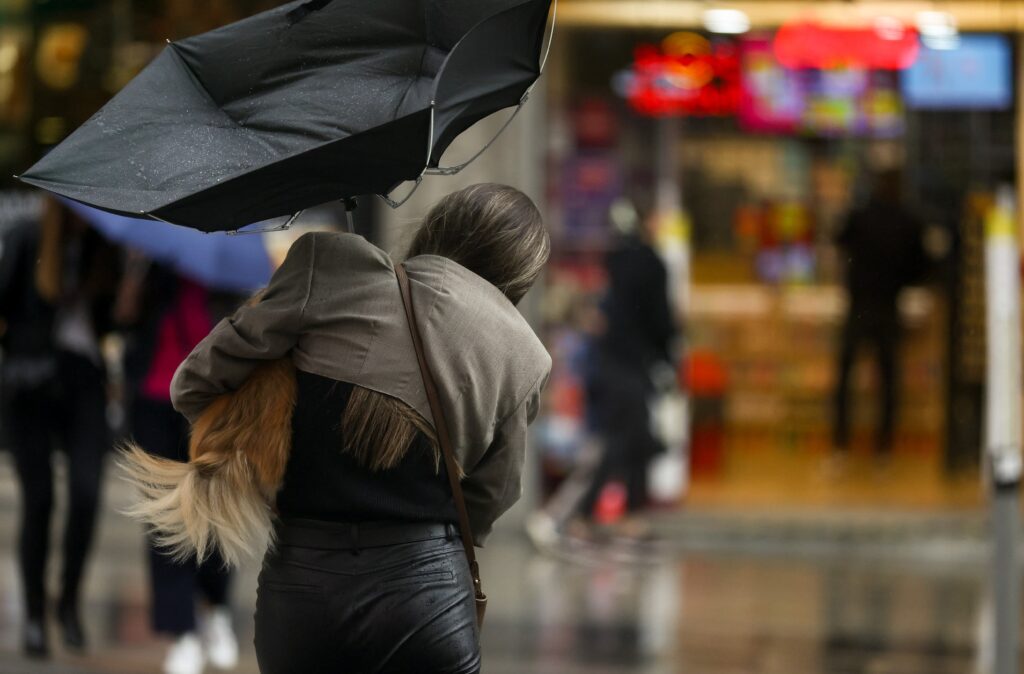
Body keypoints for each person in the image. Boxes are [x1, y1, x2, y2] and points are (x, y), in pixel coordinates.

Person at [135, 183, 550, 674]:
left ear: (441, 223)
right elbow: (489, 500)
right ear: (520, 271)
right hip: (426, 597)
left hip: (304, 589)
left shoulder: (329, 272)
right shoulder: (524, 355)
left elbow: (194, 384)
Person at [0, 197, 119, 657]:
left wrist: (121, 298)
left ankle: (68, 601)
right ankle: (33, 614)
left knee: (88, 493)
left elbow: (111, 325)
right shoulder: (28, 237)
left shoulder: (103, 248)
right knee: (40, 500)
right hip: (31, 383)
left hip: (84, 382)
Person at [115, 260, 239, 674]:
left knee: (216, 506)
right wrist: (134, 280)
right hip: (154, 398)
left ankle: (214, 607)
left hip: (210, 401)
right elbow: (122, 320)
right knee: (164, 516)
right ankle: (181, 629)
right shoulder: (154, 260)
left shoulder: (227, 266)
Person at [575, 201, 676, 537]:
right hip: (635, 363)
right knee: (626, 438)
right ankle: (588, 513)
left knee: (633, 437)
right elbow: (661, 320)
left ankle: (627, 513)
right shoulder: (652, 265)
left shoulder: (614, 262)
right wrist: (669, 359)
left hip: (611, 362)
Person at [832, 169, 927, 465]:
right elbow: (921, 267)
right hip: (889, 306)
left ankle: (840, 445)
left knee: (845, 378)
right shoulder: (909, 220)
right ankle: (883, 448)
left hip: (858, 305)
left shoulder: (859, 216)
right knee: (888, 381)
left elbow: (840, 243)